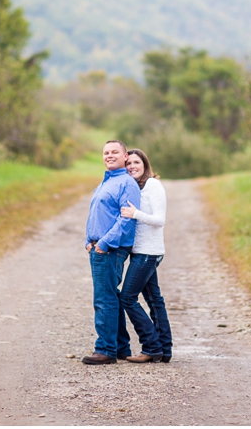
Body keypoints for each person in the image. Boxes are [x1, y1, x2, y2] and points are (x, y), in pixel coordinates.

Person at [81, 140, 141, 365]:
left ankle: (105, 349)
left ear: (125, 156)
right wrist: (89, 240)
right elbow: (98, 214)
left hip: (111, 249)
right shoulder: (107, 181)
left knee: (104, 299)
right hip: (99, 247)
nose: (109, 155)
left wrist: (104, 243)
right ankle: (121, 347)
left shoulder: (127, 183)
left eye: (115, 152)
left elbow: (126, 220)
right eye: (106, 152)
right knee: (111, 297)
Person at [117, 148, 173, 363]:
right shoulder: (135, 187)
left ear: (145, 164)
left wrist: (135, 214)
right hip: (141, 252)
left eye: (136, 162)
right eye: (128, 163)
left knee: (127, 298)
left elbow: (159, 220)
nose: (132, 166)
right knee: (154, 300)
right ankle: (164, 350)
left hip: (148, 253)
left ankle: (151, 346)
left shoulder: (153, 185)